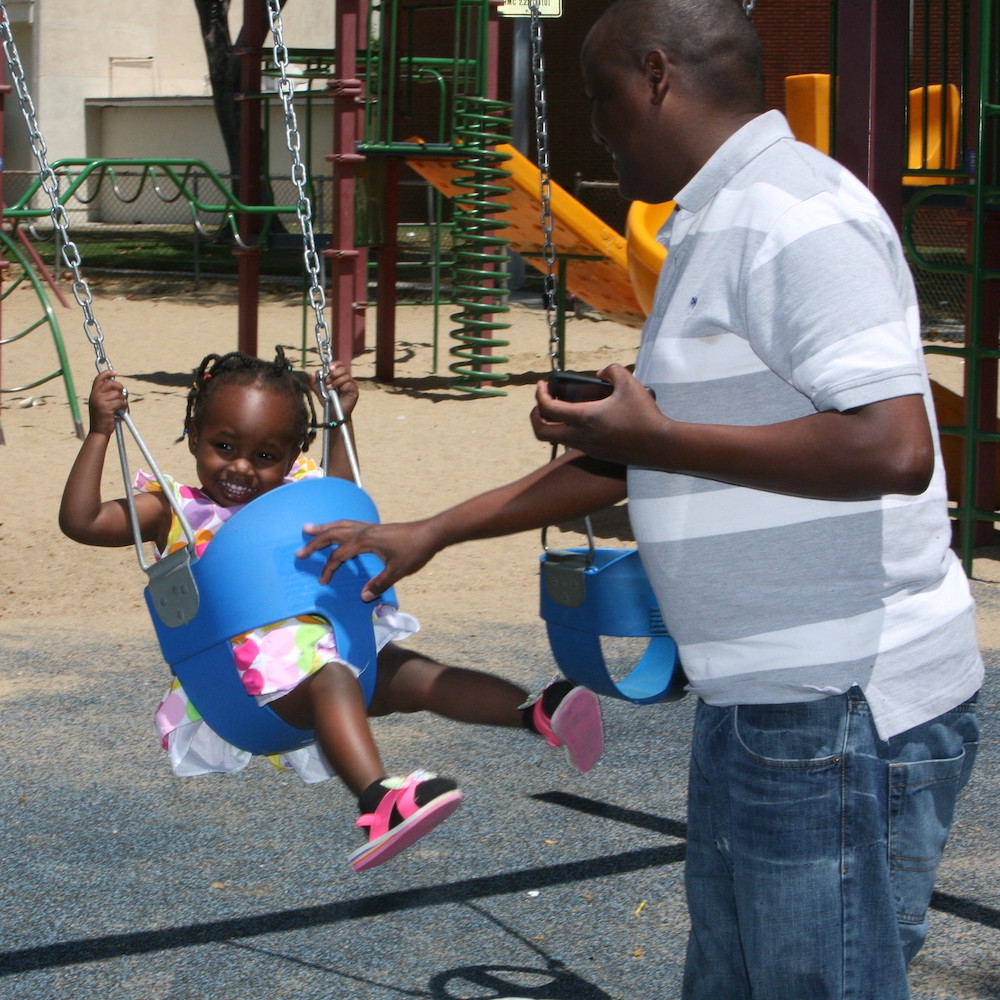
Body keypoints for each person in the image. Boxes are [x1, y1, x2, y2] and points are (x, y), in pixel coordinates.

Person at [296, 0, 982, 994]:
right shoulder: (709, 223)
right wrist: (434, 530)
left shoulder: (795, 212)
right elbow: (644, 458)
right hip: (762, 696)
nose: (595, 125)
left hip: (836, 698)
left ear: (657, 75)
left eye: (599, 96)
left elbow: (893, 446)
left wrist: (654, 432)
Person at [59, 347, 604, 873]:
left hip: (335, 646)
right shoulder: (172, 509)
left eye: (266, 456)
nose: (242, 468)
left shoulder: (297, 498)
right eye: (224, 446)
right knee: (335, 682)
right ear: (195, 435)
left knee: (418, 676)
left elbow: (342, 499)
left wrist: (342, 420)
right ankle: (379, 804)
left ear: (294, 456)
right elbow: (82, 522)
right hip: (249, 689)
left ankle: (534, 712)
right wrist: (102, 431)